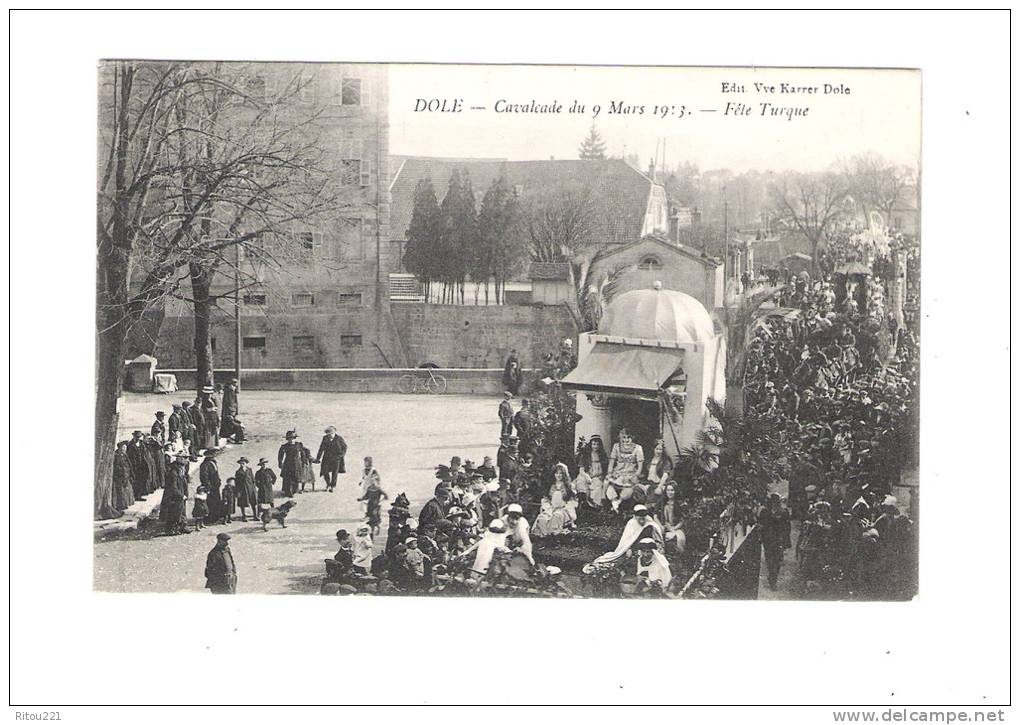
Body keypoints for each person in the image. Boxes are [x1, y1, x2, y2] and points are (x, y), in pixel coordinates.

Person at [591, 505, 664, 565]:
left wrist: (657, 548)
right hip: (635, 548)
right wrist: (629, 548)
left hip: (648, 548)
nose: (642, 519)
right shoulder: (631, 524)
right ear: (635, 516)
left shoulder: (650, 524)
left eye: (644, 516)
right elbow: (626, 540)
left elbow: (657, 538)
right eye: (639, 517)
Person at [532, 462, 578, 537]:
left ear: (564, 474)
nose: (558, 475)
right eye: (556, 473)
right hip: (551, 508)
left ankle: (553, 534)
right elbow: (546, 499)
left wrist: (566, 507)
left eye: (561, 473)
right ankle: (545, 535)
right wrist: (548, 507)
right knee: (542, 518)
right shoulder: (551, 486)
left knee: (556, 517)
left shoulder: (569, 487)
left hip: (563, 510)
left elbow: (573, 500)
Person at [605, 429, 644, 513]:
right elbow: (611, 462)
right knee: (608, 484)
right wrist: (609, 473)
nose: (626, 440)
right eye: (624, 437)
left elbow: (640, 467)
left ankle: (618, 502)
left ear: (632, 438)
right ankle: (614, 502)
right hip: (618, 473)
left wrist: (635, 476)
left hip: (630, 473)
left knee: (629, 487)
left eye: (628, 437)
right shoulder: (616, 446)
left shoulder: (638, 448)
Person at [758, 493, 792, 590]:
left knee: (778, 560)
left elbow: (787, 527)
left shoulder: (784, 512)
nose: (774, 504)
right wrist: (760, 536)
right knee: (770, 560)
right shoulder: (765, 512)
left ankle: (773, 577)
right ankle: (773, 580)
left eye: (776, 502)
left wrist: (786, 541)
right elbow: (760, 525)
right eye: (773, 502)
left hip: (779, 540)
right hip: (768, 540)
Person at [160, 452, 190, 535]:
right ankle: (171, 529)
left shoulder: (182, 468)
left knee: (182, 511)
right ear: (179, 459)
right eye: (185, 458)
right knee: (173, 512)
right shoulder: (173, 471)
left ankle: (182, 526)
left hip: (181, 493)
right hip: (173, 496)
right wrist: (181, 495)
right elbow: (173, 487)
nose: (187, 460)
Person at [577, 435, 608, 508]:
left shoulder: (602, 455)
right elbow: (581, 470)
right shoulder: (586, 455)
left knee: (597, 485)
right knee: (582, 482)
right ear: (590, 444)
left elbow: (605, 469)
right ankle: (583, 501)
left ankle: (594, 504)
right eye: (594, 444)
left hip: (597, 476)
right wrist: (586, 476)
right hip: (587, 474)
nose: (595, 446)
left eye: (597, 444)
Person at [314, 426, 347, 493]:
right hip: (326, 457)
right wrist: (318, 458)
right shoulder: (325, 438)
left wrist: (341, 455)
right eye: (328, 434)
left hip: (336, 458)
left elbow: (345, 447)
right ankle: (328, 484)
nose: (329, 435)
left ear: (334, 432)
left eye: (331, 433)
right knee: (325, 471)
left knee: (335, 473)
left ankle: (333, 486)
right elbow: (321, 448)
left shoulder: (339, 438)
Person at [359, 470, 389, 537]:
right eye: (372, 481)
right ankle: (371, 532)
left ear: (377, 482)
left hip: (376, 506)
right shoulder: (369, 488)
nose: (373, 483)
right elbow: (366, 496)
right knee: (371, 520)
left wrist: (381, 501)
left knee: (375, 518)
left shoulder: (378, 489)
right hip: (370, 505)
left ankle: (377, 528)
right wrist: (361, 499)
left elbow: (386, 496)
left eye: (374, 481)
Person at [198, 449, 223, 525]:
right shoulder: (205, 465)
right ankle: (211, 517)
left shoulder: (213, 463)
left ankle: (217, 515)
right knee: (211, 502)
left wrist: (218, 481)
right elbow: (204, 477)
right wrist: (208, 486)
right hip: (210, 486)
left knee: (216, 500)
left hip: (215, 485)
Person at [126, 431, 153, 500]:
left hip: (142, 465)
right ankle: (135, 495)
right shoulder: (130, 444)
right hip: (134, 465)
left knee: (142, 479)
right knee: (135, 480)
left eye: (139, 437)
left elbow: (144, 453)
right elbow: (129, 455)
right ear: (134, 436)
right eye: (136, 437)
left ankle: (140, 494)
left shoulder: (141, 444)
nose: (138, 438)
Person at [278, 430, 303, 498]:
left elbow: (302, 453)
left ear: (294, 438)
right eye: (289, 438)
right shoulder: (284, 446)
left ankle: (295, 490)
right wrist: (280, 463)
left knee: (296, 477)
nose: (290, 440)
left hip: (297, 464)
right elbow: (280, 455)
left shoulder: (298, 445)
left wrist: (304, 461)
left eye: (292, 438)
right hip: (288, 464)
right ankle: (288, 492)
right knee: (288, 478)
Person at [112, 441, 135, 513]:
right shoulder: (116, 455)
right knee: (120, 491)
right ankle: (120, 506)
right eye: (123, 447)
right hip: (119, 476)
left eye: (125, 447)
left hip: (126, 475)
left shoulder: (125, 455)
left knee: (126, 491)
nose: (125, 449)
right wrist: (121, 471)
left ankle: (124, 504)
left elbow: (129, 465)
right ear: (120, 448)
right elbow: (116, 466)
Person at [233, 457, 257, 522]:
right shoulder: (238, 472)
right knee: (242, 503)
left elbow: (253, 479)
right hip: (242, 489)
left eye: (243, 463)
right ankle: (244, 516)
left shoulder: (249, 470)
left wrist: (254, 488)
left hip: (250, 488)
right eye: (241, 463)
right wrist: (238, 491)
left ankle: (255, 515)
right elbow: (237, 482)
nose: (242, 464)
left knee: (253, 502)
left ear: (246, 463)